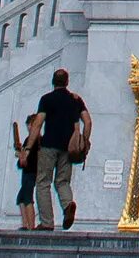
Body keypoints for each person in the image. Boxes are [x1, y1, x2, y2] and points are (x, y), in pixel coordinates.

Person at [32, 68, 91, 231]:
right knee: (62, 181)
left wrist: (29, 146)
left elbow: (38, 123)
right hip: (69, 147)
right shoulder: (75, 100)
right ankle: (67, 204)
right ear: (67, 82)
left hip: (49, 144)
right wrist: (84, 142)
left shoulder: (47, 99)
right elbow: (88, 121)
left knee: (43, 182)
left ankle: (47, 222)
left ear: (53, 82)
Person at [13, 113, 42, 230]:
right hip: (29, 172)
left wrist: (21, 156)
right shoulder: (35, 140)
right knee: (21, 198)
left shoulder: (33, 140)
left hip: (30, 172)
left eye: (30, 125)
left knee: (27, 198)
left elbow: (27, 159)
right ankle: (25, 225)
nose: (29, 127)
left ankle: (30, 225)